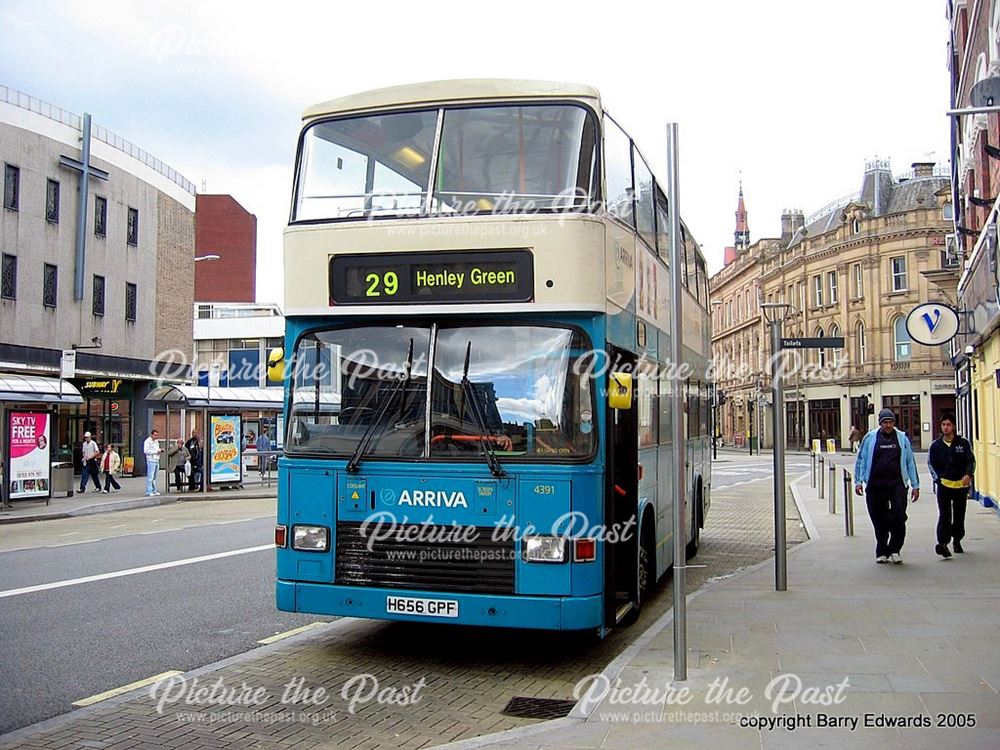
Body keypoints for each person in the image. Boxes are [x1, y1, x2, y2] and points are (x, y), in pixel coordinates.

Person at [854, 409, 920, 564]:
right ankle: (882, 549)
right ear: (880, 423)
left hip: (897, 484)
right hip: (875, 485)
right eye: (885, 422)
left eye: (891, 422)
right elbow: (861, 459)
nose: (888, 425)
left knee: (899, 516)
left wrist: (915, 485)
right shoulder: (870, 438)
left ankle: (895, 549)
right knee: (878, 518)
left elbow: (910, 462)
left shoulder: (902, 438)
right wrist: (858, 481)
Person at [927, 413, 975, 558]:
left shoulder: (963, 443)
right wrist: (938, 480)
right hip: (944, 486)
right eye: (943, 425)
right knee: (944, 515)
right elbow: (931, 465)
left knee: (959, 515)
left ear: (953, 426)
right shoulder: (936, 446)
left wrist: (968, 475)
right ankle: (942, 543)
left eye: (948, 425)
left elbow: (971, 461)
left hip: (960, 486)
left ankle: (957, 539)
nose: (945, 427)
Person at [143, 429, 163, 497]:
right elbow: (146, 451)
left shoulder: (156, 442)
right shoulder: (148, 441)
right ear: (151, 435)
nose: (156, 436)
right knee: (150, 476)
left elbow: (157, 449)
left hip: (156, 459)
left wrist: (159, 450)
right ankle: (149, 490)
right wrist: (156, 452)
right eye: (155, 435)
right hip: (151, 459)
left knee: (154, 476)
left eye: (157, 435)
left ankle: (154, 490)